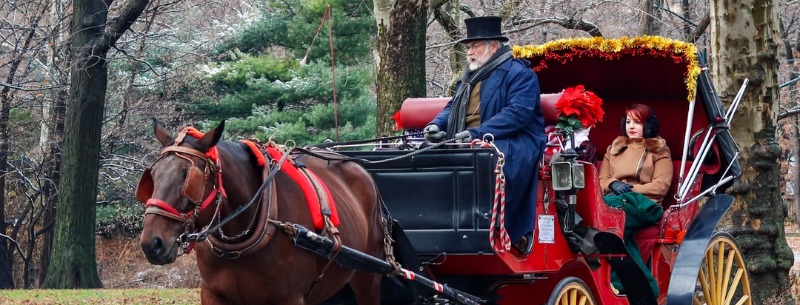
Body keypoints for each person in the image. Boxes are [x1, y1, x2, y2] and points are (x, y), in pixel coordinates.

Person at [423, 16, 546, 255]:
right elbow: (452, 106)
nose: (470, 52)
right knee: (425, 157)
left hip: (515, 139)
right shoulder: (469, 77)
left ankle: (507, 230)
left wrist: (476, 134)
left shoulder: (520, 74)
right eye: (468, 47)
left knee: (490, 157)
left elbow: (517, 114)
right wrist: (436, 125)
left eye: (475, 46)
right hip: (468, 138)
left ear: (494, 46)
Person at [598, 103, 672, 297]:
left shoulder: (658, 149)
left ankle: (627, 284)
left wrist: (630, 190)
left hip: (645, 205)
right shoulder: (614, 148)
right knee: (610, 220)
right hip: (614, 200)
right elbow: (601, 180)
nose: (631, 126)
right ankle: (642, 286)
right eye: (628, 121)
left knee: (612, 214)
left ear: (647, 125)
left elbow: (661, 185)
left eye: (637, 122)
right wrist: (614, 184)